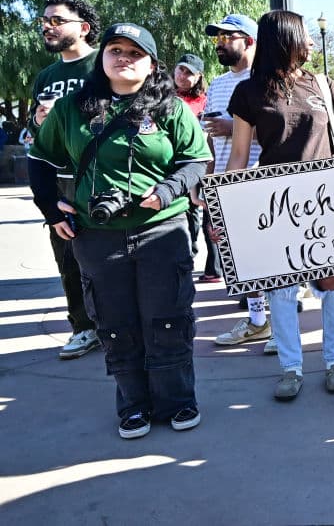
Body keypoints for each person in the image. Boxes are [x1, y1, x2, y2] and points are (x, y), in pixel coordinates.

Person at [28, 23, 212, 439]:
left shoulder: (170, 107)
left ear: (151, 64)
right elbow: (39, 158)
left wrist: (166, 192)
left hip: (161, 231)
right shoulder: (72, 108)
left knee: (168, 319)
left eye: (135, 52)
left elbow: (196, 160)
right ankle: (133, 405)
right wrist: (49, 206)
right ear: (103, 57)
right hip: (96, 234)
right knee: (115, 323)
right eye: (115, 49)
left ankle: (178, 400)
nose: (124, 58)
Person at [225, 10, 334, 401]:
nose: (310, 43)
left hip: (328, 202)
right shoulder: (248, 93)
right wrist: (224, 209)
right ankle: (291, 368)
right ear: (284, 38)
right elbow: (238, 156)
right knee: (282, 290)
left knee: (333, 283)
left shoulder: (323, 84)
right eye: (304, 35)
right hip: (275, 205)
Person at [28, 0, 101, 360]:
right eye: (44, 21)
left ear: (83, 28)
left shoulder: (102, 66)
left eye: (57, 20)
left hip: (99, 177)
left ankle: (116, 326)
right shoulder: (46, 76)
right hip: (58, 179)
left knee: (107, 257)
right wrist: (40, 122)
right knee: (67, 256)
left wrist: (69, 114)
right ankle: (83, 327)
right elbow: (33, 130)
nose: (47, 26)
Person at [200, 14, 273, 349]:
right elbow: (209, 139)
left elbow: (282, 130)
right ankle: (258, 321)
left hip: (266, 180)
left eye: (228, 37)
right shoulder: (215, 85)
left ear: (250, 41)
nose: (221, 44)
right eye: (218, 39)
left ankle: (281, 327)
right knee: (239, 257)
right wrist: (207, 179)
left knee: (271, 257)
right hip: (227, 181)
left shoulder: (267, 80)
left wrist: (234, 128)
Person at [173, 54, 207, 261]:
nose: (183, 76)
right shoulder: (161, 95)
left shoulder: (204, 100)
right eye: (180, 70)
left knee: (192, 209)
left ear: (198, 77)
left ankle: (190, 250)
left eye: (189, 73)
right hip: (166, 164)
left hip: (191, 164)